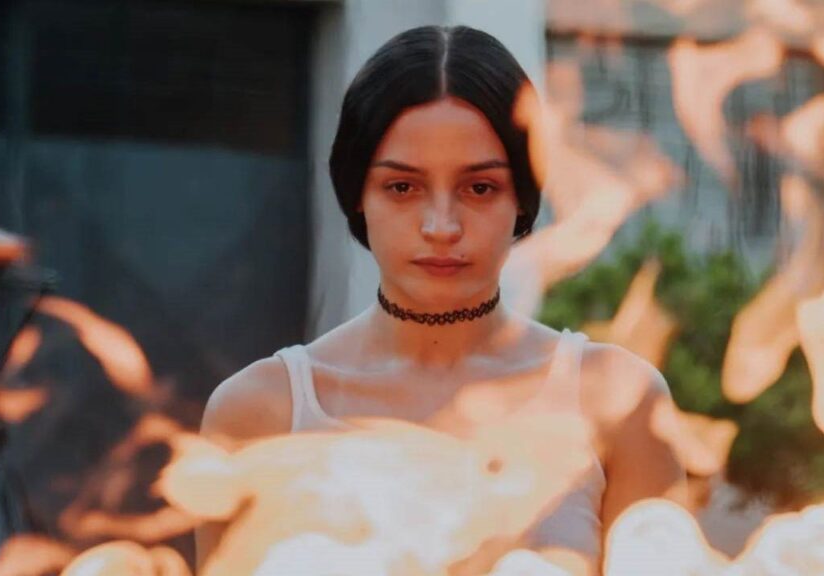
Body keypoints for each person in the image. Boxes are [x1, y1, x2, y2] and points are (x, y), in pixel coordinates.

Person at [196, 25, 685, 575]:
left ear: (522, 199)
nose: (441, 226)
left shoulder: (617, 403)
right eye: (403, 187)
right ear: (357, 194)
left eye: (480, 188)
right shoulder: (261, 411)